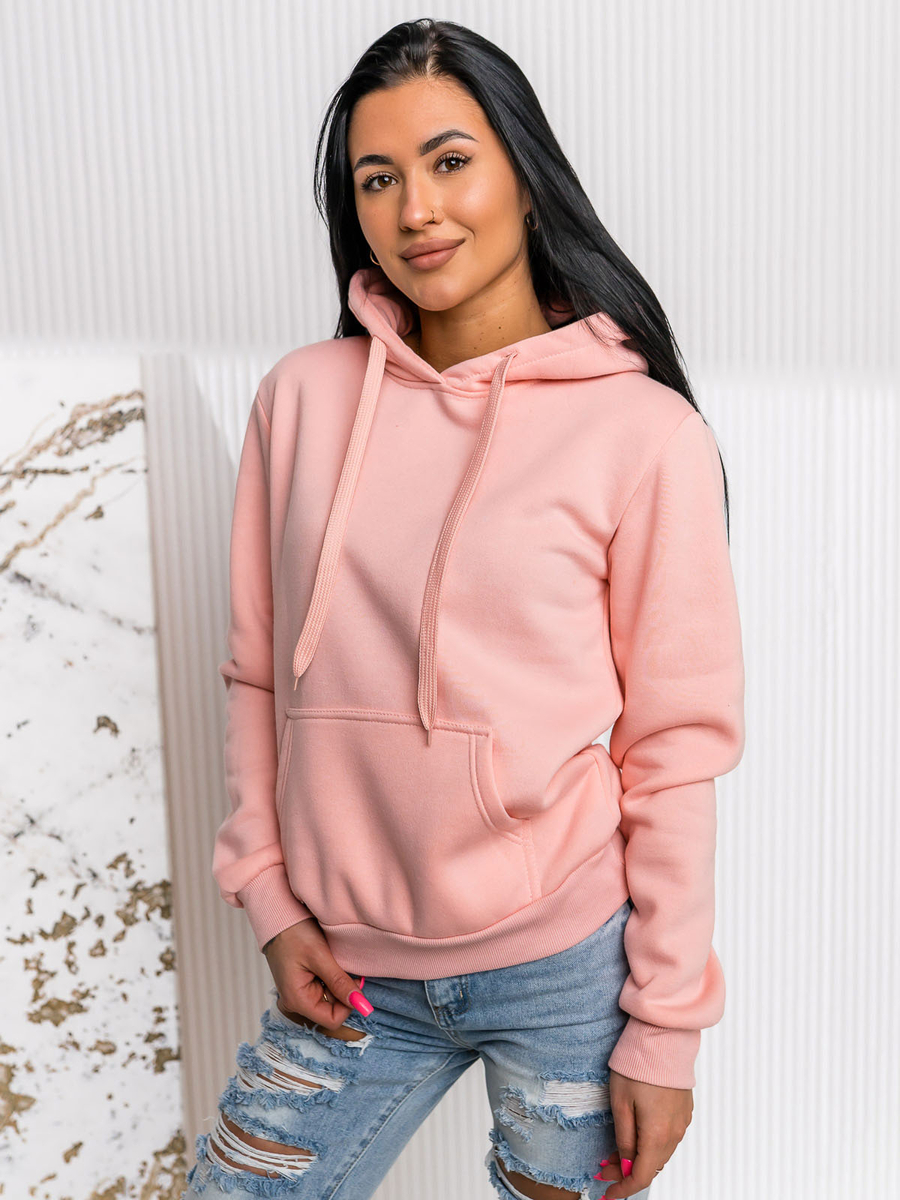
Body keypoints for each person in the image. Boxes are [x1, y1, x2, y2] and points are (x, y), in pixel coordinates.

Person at [182, 17, 745, 1200]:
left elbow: (674, 750)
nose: (416, 210)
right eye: (377, 179)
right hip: (349, 973)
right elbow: (255, 674)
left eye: (449, 162)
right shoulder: (303, 402)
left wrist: (665, 1025)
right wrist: (271, 900)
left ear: (525, 178)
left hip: (567, 970)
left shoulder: (643, 434)